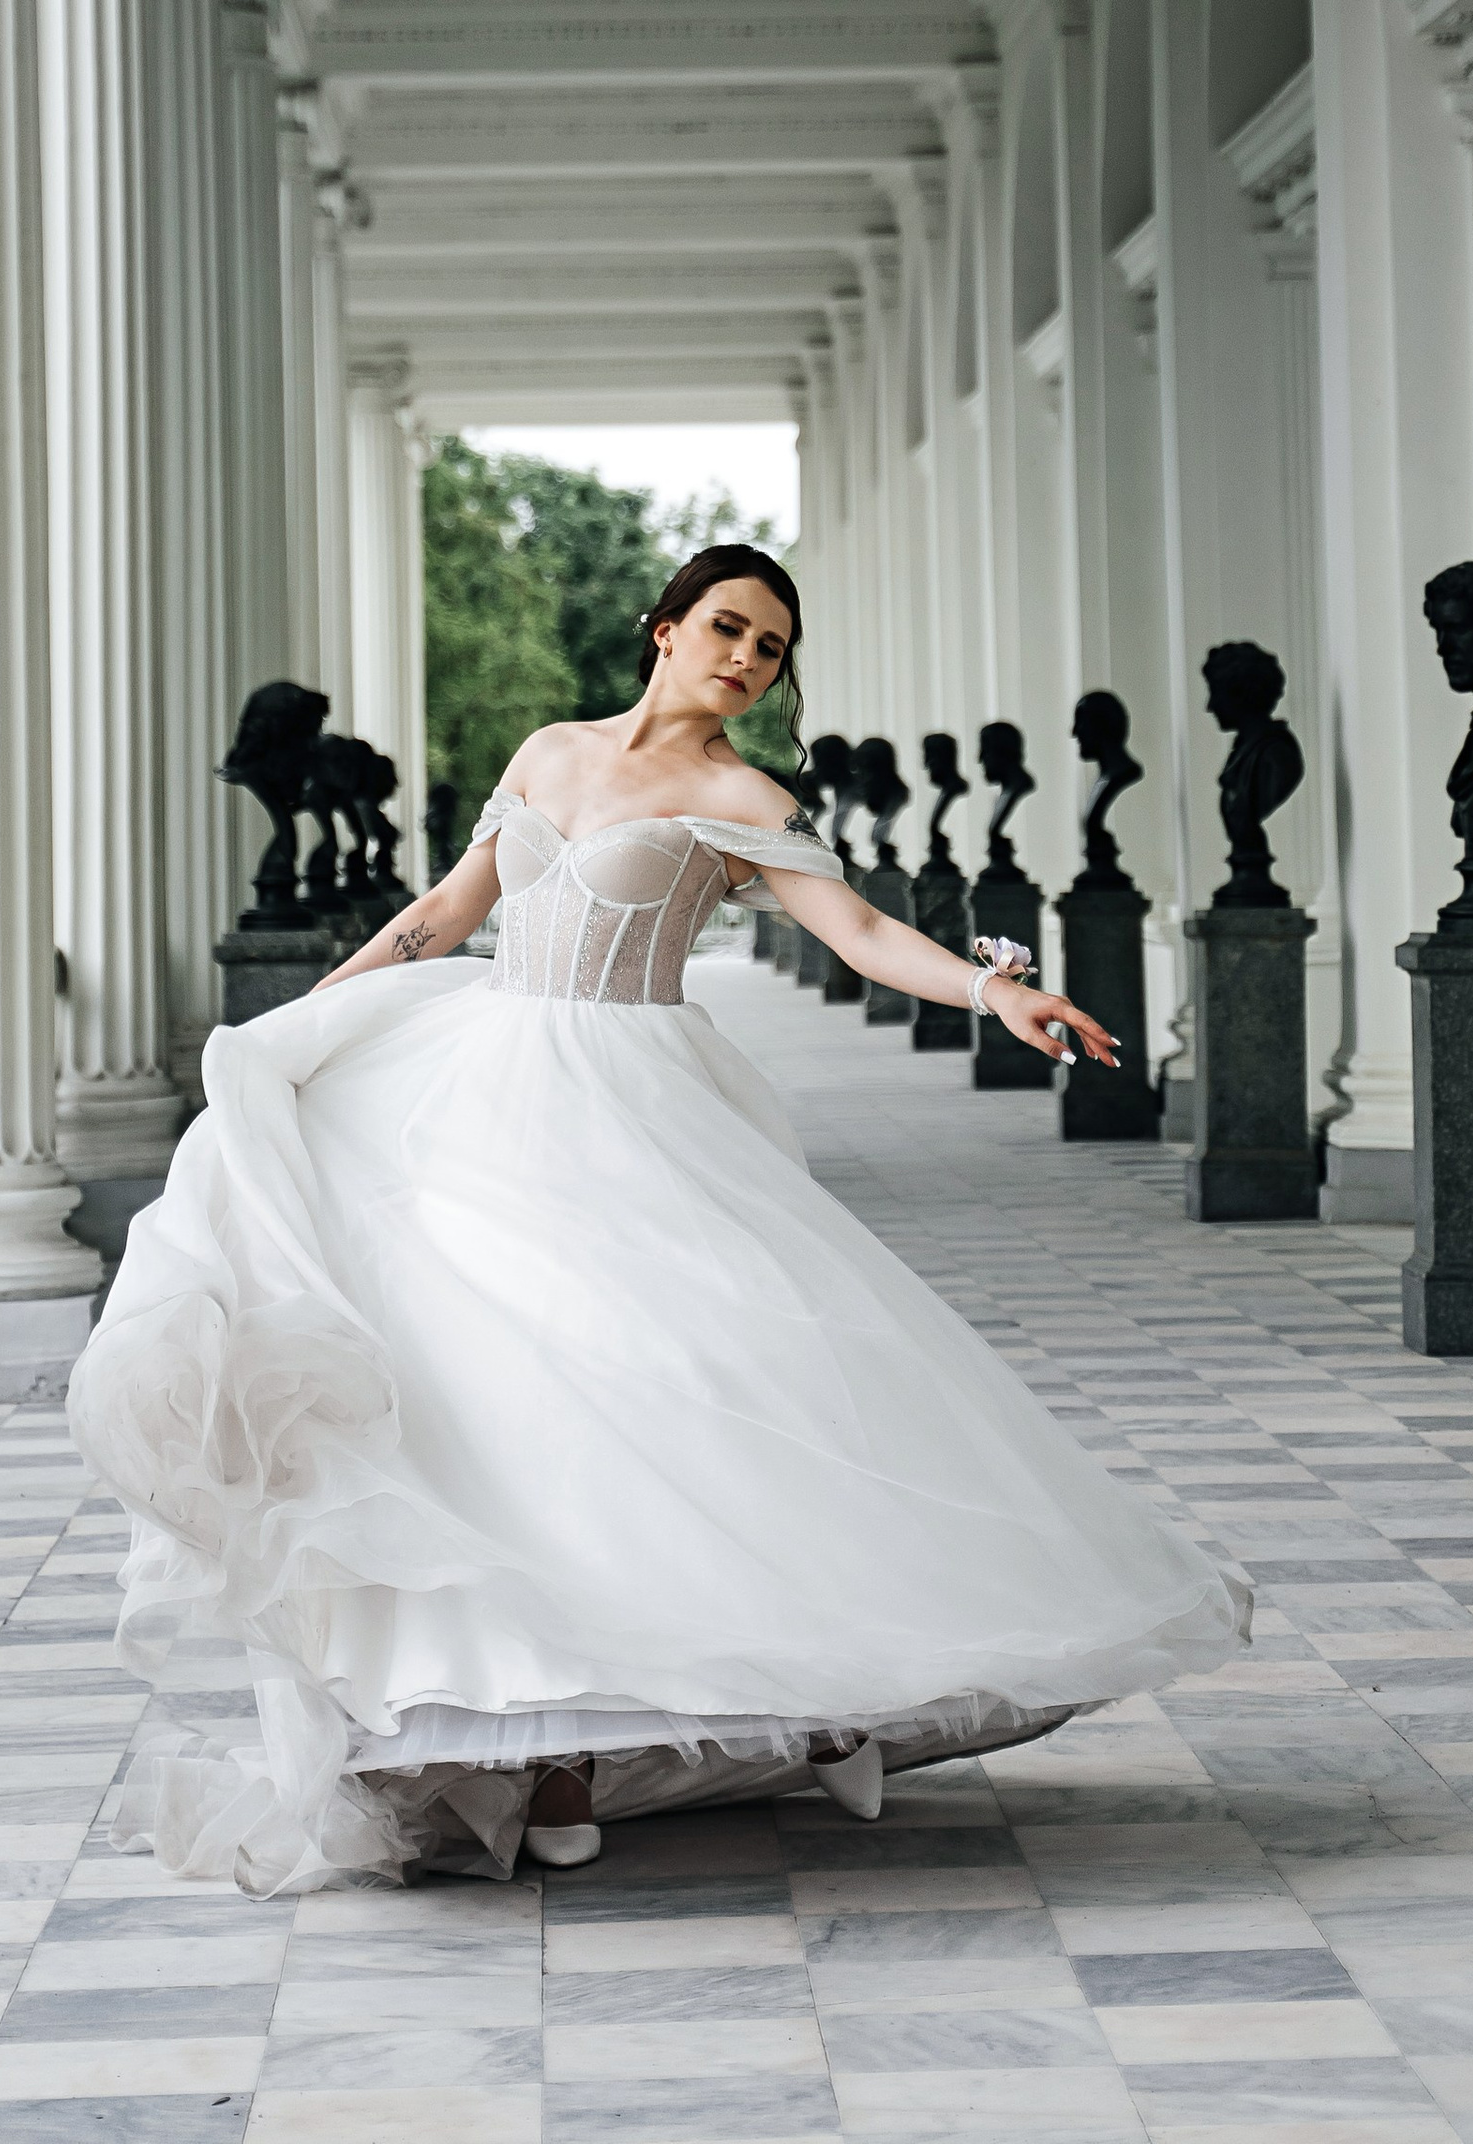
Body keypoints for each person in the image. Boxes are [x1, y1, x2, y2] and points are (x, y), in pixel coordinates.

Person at [68, 545, 1248, 1891]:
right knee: (495, 1402)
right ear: (666, 627)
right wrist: (307, 1024)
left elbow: (860, 931)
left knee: (679, 1383)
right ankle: (541, 1752)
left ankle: (811, 1693)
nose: (746, 659)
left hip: (631, 1099)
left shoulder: (740, 793)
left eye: (771, 648)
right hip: (476, 1084)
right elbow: (449, 913)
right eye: (728, 628)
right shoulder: (548, 751)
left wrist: (996, 993)